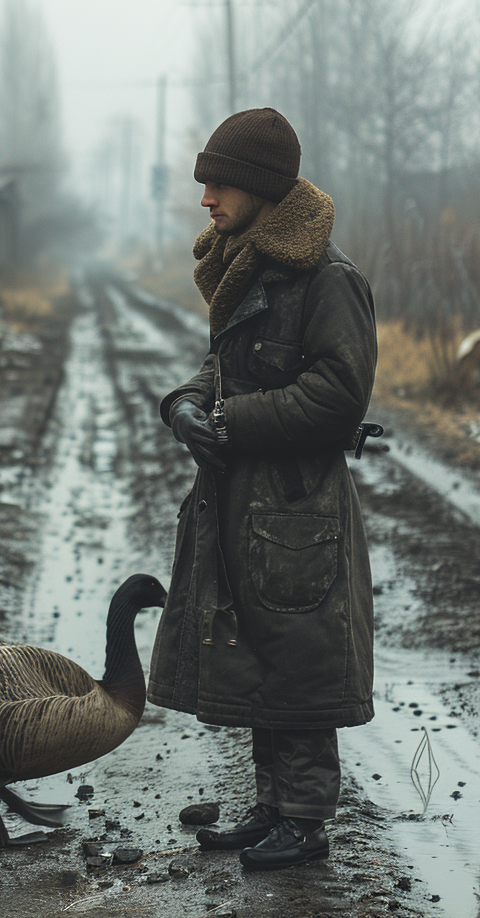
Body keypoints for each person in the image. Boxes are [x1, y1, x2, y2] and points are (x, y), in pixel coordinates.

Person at [147, 107, 377, 871]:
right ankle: (272, 806)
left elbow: (340, 395)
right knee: (253, 642)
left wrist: (232, 421)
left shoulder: (327, 279)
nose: (205, 198)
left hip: (297, 503)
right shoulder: (249, 264)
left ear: (258, 188)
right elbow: (229, 369)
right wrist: (185, 404)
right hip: (243, 498)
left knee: (299, 651)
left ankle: (305, 821)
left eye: (216, 183)